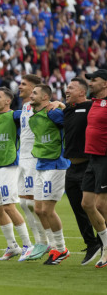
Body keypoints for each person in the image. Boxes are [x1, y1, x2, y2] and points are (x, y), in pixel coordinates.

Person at [0, 88, 33, 261]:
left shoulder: (15, 115)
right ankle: (12, 246)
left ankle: (28, 245)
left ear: (8, 101)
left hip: (10, 166)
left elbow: (29, 114)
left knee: (9, 207)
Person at [29, 84, 70, 265]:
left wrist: (61, 105)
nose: (31, 95)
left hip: (55, 164)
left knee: (47, 210)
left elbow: (72, 122)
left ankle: (61, 249)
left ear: (45, 97)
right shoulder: (35, 114)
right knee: (38, 209)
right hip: (40, 163)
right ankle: (53, 245)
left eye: (35, 93)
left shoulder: (53, 113)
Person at [62, 78, 101, 265]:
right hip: (72, 167)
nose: (66, 89)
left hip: (89, 165)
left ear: (82, 92)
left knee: (95, 206)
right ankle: (91, 243)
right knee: (78, 210)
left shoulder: (91, 107)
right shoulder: (66, 109)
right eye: (67, 87)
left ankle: (104, 242)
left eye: (71, 87)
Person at [17, 74, 50, 260]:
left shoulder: (43, 106)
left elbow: (55, 109)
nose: (19, 86)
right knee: (23, 202)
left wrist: (59, 105)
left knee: (31, 202)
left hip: (33, 158)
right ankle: (38, 242)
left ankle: (44, 242)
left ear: (35, 89)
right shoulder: (24, 106)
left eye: (24, 84)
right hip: (22, 158)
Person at [82, 69, 107, 268]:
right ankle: (106, 246)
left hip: (105, 158)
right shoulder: (94, 102)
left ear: (105, 83)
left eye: (94, 80)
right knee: (87, 204)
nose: (90, 83)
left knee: (101, 205)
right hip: (92, 158)